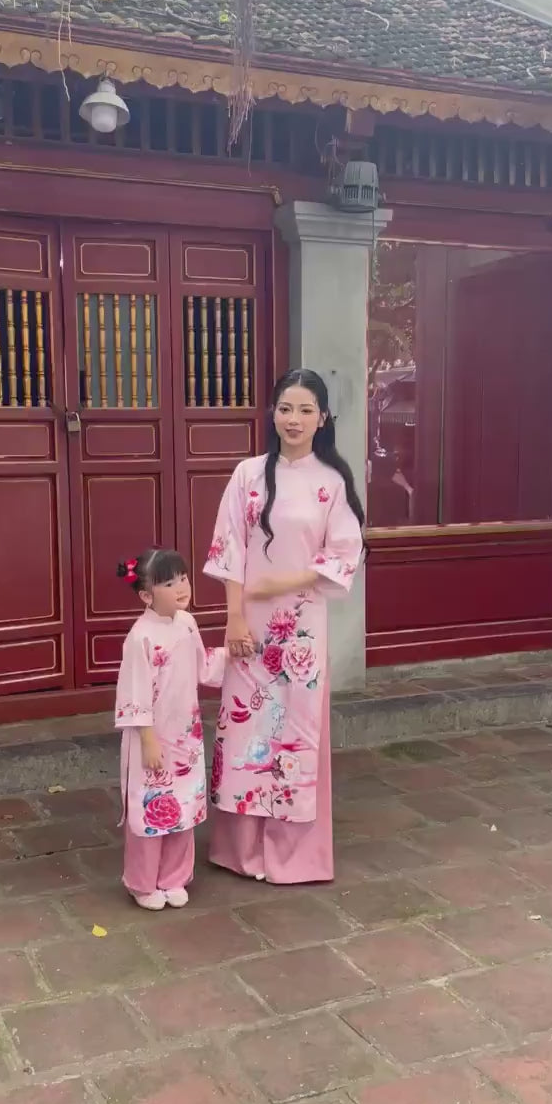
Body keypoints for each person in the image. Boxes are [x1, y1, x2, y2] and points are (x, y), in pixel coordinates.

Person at [203, 368, 364, 884]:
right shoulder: (247, 475)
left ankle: (292, 857)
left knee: (294, 735)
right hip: (248, 626)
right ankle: (242, 852)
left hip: (301, 632)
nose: (293, 419)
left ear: (322, 419)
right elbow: (228, 549)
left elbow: (344, 555)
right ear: (272, 413)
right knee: (246, 730)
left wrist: (284, 583)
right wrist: (232, 619)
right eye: (285, 408)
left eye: (305, 410)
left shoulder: (332, 482)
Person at [114, 547, 226, 910]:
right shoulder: (140, 637)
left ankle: (175, 878)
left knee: (183, 804)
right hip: (153, 736)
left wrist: (233, 653)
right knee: (150, 807)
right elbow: (134, 693)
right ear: (146, 595)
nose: (181, 587)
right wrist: (147, 740)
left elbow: (202, 666)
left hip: (186, 734)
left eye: (183, 578)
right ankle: (143, 883)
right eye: (168, 582)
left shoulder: (187, 623)